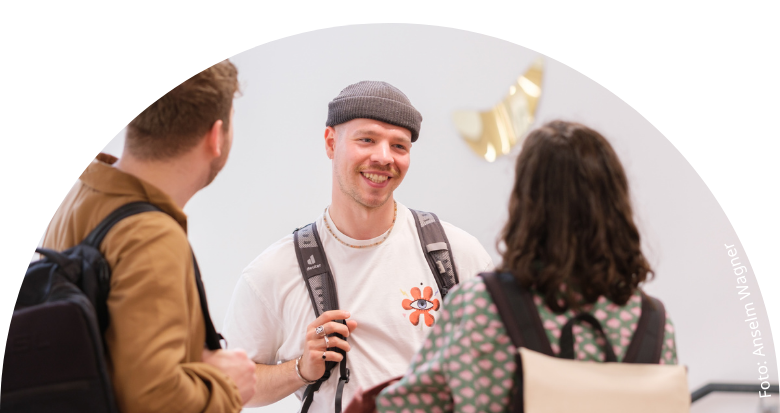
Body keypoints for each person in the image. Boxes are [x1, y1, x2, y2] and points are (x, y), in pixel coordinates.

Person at [222, 80, 494, 412]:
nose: (384, 157)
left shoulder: (458, 255)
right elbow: (231, 387)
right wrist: (301, 369)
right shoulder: (274, 271)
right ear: (331, 142)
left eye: (399, 146)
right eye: (367, 139)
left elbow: (504, 366)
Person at [375, 120, 679, 412]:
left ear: (526, 204)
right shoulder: (653, 322)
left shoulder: (482, 305)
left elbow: (405, 408)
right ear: (616, 206)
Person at [42, 60, 256, 413]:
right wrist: (227, 386)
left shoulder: (81, 193)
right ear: (216, 136)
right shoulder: (152, 237)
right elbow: (153, 400)